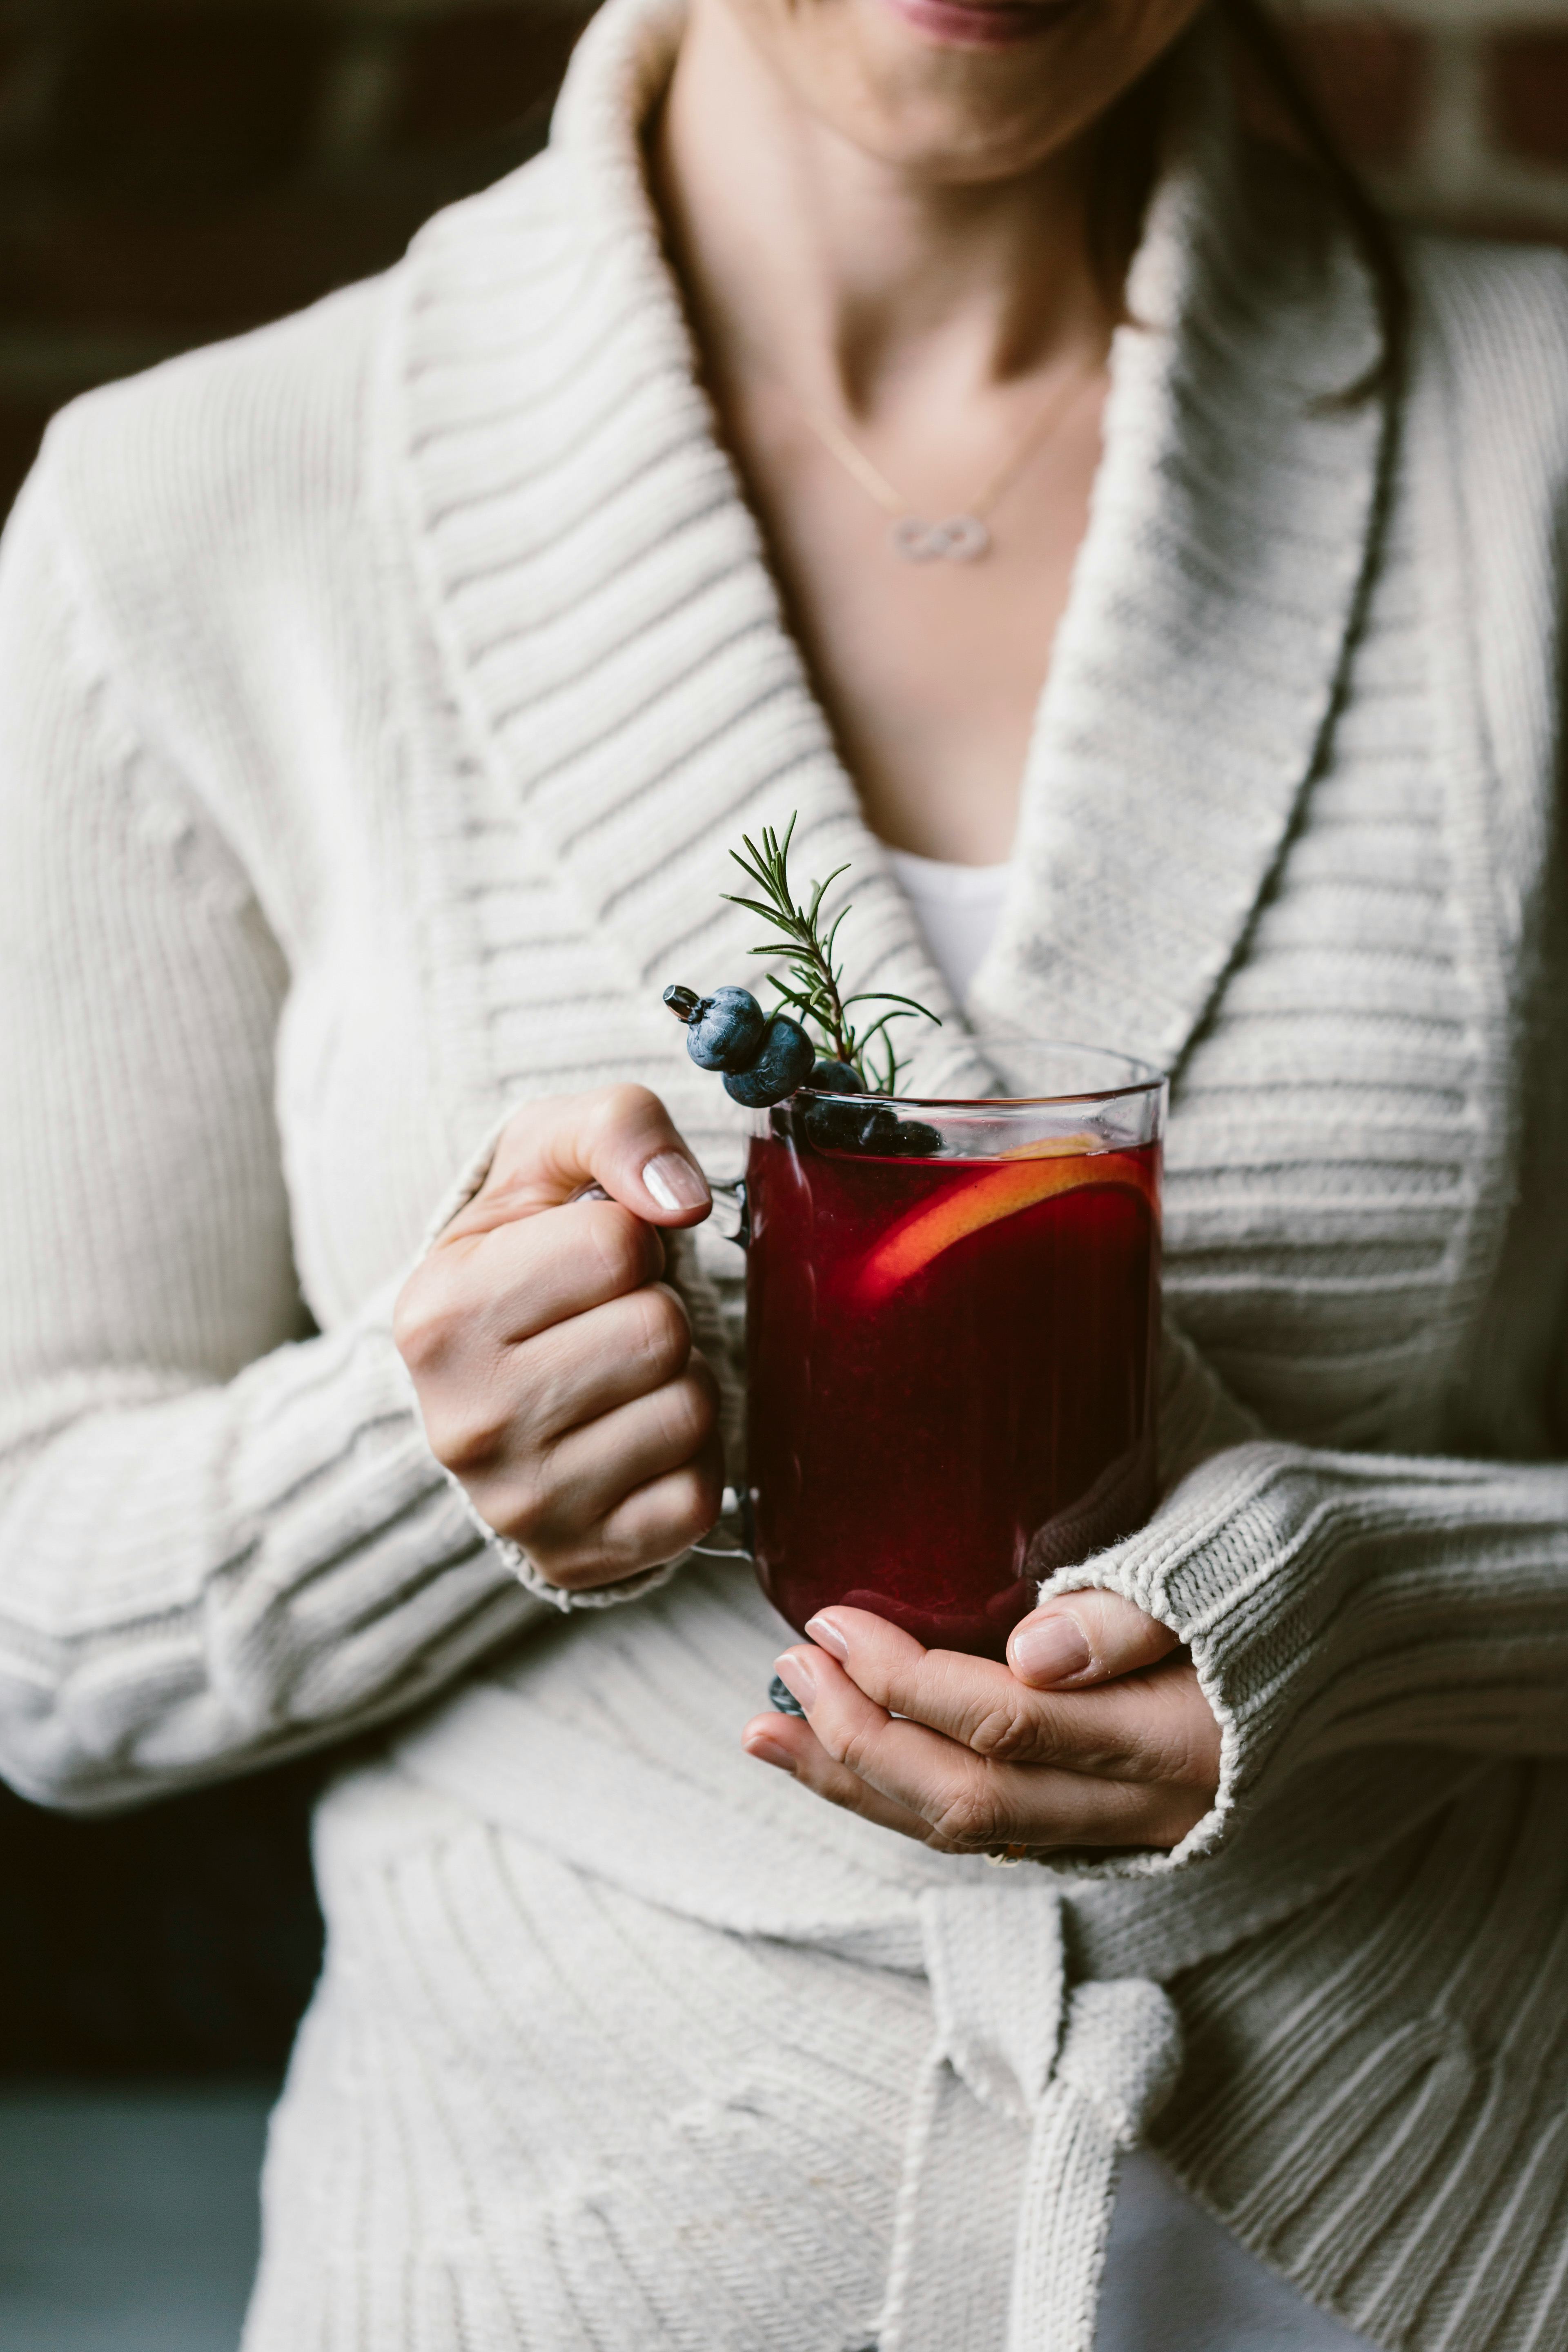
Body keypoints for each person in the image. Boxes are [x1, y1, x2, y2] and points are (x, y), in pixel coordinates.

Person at [0, 0, 1564, 2339]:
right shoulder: (200, 506)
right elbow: (40, 1623)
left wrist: (1370, 1615)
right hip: (558, 2261)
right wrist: (419, 1452)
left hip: (1429, 2235)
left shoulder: (1531, 451)